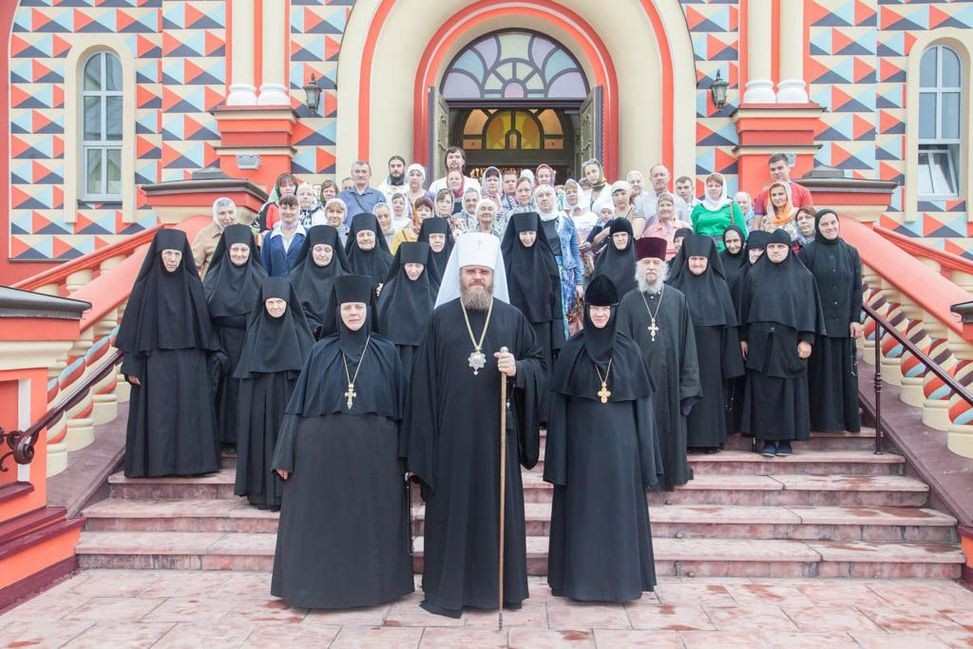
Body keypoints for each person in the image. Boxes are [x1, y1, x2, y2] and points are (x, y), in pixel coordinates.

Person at [405, 233, 546, 618]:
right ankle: (448, 590)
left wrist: (519, 369)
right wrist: (421, 450)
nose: (477, 278)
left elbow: (539, 365)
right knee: (452, 513)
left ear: (493, 274)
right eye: (471, 272)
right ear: (460, 275)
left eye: (483, 271)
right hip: (450, 439)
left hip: (497, 438)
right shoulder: (440, 319)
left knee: (494, 512)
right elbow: (422, 386)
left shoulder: (512, 318)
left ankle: (499, 590)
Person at [271, 274, 413, 609]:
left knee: (370, 523)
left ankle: (373, 590)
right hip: (322, 458)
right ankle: (319, 589)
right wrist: (284, 454)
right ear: (337, 311)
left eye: (359, 307)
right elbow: (297, 405)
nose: (353, 314)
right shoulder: (320, 351)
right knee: (324, 524)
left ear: (369, 309)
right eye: (347, 308)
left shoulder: (387, 351)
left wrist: (409, 458)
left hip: (375, 458)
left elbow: (404, 410)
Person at [545, 275, 659, 602]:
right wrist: (558, 461)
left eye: (605, 309)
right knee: (584, 516)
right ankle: (580, 584)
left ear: (614, 311)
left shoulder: (631, 350)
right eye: (594, 308)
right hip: (581, 452)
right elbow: (559, 410)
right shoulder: (571, 350)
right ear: (587, 310)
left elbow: (642, 410)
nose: (599, 315)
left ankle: (622, 584)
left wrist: (646, 460)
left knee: (619, 517)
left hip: (622, 453)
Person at [117, 229, 221, 477]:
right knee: (158, 415)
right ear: (158, 255)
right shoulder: (144, 288)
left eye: (177, 254)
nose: (172, 259)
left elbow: (204, 328)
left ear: (183, 256)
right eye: (168, 254)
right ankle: (157, 466)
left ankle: (190, 465)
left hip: (189, 363)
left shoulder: (193, 285)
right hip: (155, 363)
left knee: (188, 415)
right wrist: (132, 365)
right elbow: (132, 329)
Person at [617, 237, 701, 491]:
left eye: (655, 262)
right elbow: (620, 348)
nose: (651, 267)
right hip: (640, 385)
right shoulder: (628, 301)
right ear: (638, 267)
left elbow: (688, 345)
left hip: (671, 383)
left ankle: (670, 477)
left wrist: (688, 384)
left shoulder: (678, 299)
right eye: (646, 262)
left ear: (663, 266)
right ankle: (644, 481)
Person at [739, 229, 826, 457]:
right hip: (760, 343)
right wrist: (743, 337)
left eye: (780, 247)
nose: (775, 251)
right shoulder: (754, 275)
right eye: (771, 247)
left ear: (789, 249)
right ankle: (767, 439)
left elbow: (809, 309)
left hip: (789, 343)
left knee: (789, 392)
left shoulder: (803, 277)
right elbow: (744, 308)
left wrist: (807, 339)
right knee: (764, 392)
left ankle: (786, 440)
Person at [233, 277, 314, 510]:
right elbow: (247, 377)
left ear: (288, 303)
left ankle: (293, 492)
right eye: (271, 303)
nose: (276, 307)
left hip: (290, 402)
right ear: (263, 304)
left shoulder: (301, 334)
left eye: (280, 302)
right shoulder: (254, 332)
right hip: (260, 404)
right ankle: (262, 494)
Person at [668, 236, 744, 453]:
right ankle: (684, 440)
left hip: (711, 350)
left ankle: (710, 440)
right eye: (693, 259)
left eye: (701, 259)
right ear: (686, 260)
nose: (697, 263)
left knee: (710, 393)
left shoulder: (720, 285)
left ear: (709, 261)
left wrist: (729, 358)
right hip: (682, 349)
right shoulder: (674, 286)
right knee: (684, 390)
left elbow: (729, 325)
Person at [203, 224, 267, 449]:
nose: (239, 254)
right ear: (227, 250)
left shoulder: (261, 277)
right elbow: (203, 316)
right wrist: (214, 347)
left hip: (250, 342)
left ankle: (244, 439)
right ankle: (220, 438)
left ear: (251, 251)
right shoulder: (212, 278)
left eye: (244, 250)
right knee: (221, 390)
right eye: (235, 249)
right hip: (219, 343)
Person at [799, 209, 863, 434]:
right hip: (819, 326)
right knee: (822, 376)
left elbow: (857, 288)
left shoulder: (851, 252)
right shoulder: (808, 253)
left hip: (844, 324)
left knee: (844, 375)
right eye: (824, 224)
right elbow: (803, 291)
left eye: (833, 223)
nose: (830, 227)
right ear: (818, 227)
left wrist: (855, 319)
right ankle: (822, 422)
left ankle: (845, 421)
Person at [502, 211, 564, 406]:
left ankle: (543, 413)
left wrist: (558, 336)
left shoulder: (546, 258)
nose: (528, 238)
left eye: (531, 233)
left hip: (543, 325)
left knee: (542, 369)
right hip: (514, 325)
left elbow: (556, 297)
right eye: (523, 234)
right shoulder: (506, 259)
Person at [376, 241, 439, 370]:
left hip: (426, 354)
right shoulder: (389, 290)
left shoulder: (435, 291)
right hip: (396, 353)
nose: (413, 270)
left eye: (418, 265)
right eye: (409, 265)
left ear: (425, 265)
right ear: (402, 265)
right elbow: (381, 322)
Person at [535, 185, 583, 327]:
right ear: (535, 200)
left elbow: (575, 251)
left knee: (566, 314)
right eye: (540, 195)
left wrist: (579, 282)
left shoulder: (566, 221)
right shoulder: (533, 222)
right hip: (542, 273)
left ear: (555, 198)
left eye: (548, 194)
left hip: (565, 274)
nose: (544, 198)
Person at [289, 224, 349, 337]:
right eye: (318, 249)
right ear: (311, 250)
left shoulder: (345, 278)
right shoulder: (295, 276)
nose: (322, 254)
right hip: (304, 334)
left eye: (327, 250)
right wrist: (312, 326)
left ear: (334, 252)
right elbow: (292, 308)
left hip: (337, 335)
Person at [753, 153, 814, 226]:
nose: (776, 172)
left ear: (789, 168)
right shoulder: (762, 196)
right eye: (773, 169)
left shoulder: (803, 192)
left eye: (780, 168)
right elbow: (757, 224)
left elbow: (810, 219)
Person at [690, 173, 747, 251]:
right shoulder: (698, 208)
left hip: (727, 248)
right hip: (703, 248)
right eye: (710, 186)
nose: (713, 188)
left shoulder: (732, 206)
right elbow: (693, 231)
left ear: (723, 188)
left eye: (717, 186)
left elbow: (741, 230)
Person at [345, 212, 393, 294]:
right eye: (361, 235)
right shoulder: (346, 264)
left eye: (369, 234)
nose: (366, 238)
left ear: (375, 236)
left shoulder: (390, 262)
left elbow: (398, 287)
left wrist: (387, 290)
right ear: (355, 237)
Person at [192, 197, 239, 276]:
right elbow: (193, 266)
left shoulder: (243, 232)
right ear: (215, 216)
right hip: (212, 282)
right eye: (222, 213)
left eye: (230, 212)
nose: (227, 218)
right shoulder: (204, 235)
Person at [261, 194, 306, 277]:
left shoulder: (307, 235)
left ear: (299, 210)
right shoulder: (269, 237)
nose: (288, 212)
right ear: (279, 210)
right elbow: (265, 267)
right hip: (276, 284)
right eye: (284, 208)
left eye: (292, 208)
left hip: (301, 284)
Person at [591, 218, 638, 297]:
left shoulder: (640, 258)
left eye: (623, 235)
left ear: (629, 236)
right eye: (616, 235)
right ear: (611, 238)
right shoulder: (603, 260)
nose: (620, 239)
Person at [640, 192, 692, 260]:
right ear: (657, 208)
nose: (665, 208)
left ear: (674, 207)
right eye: (662, 205)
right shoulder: (650, 231)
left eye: (668, 205)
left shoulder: (684, 227)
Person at [417, 216, 453, 280]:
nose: (437, 240)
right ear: (425, 239)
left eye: (441, 237)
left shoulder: (454, 262)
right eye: (433, 237)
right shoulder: (416, 265)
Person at [719, 225, 748, 296]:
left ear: (742, 239)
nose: (732, 245)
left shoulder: (748, 257)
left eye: (736, 240)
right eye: (728, 241)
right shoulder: (719, 259)